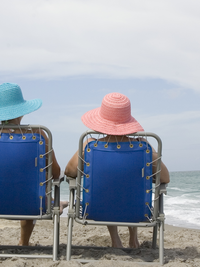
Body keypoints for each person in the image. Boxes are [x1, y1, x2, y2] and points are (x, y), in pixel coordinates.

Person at [65, 92, 170, 249]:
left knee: (109, 186)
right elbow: (165, 178)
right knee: (128, 185)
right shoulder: (143, 148)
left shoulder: (89, 146)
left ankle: (115, 240)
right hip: (138, 211)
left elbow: (69, 172)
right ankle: (133, 240)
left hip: (97, 210)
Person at [0, 82, 61, 246]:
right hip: (31, 204)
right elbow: (56, 173)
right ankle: (24, 242)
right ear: (22, 112)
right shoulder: (38, 135)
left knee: (28, 181)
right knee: (32, 182)